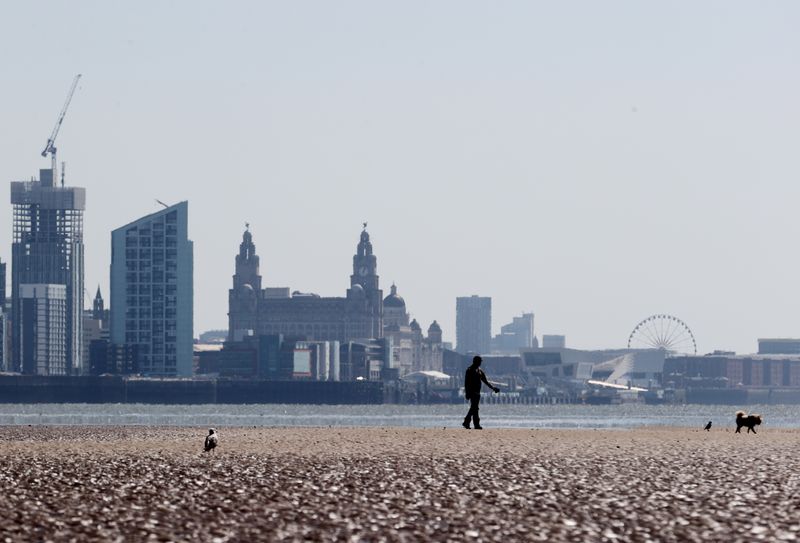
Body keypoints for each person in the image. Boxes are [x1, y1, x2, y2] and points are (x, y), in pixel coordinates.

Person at [463, 355, 499, 430]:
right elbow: (466, 383)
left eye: (480, 362)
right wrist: (467, 393)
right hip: (472, 392)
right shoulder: (469, 370)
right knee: (474, 407)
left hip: (477, 392)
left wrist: (493, 388)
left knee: (475, 408)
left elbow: (485, 381)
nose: (480, 363)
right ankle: (468, 422)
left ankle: (474, 424)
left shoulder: (480, 371)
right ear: (475, 361)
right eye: (479, 362)